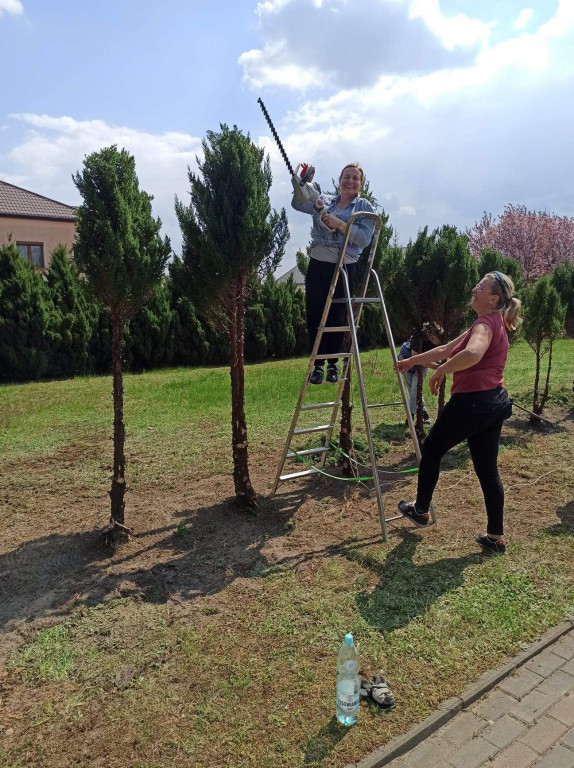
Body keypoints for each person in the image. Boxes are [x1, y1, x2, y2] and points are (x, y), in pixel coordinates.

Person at [395, 272, 522, 555]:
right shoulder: (488, 322)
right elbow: (445, 348)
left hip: (473, 403)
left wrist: (441, 369)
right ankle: (495, 537)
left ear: (493, 299)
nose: (475, 288)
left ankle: (421, 511)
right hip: (494, 404)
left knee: (432, 449)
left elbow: (473, 354)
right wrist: (410, 362)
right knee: (487, 470)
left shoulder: (485, 325)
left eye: (482, 286)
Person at [292, 163, 376, 384]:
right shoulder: (325, 200)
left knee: (336, 314)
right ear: (339, 180)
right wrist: (300, 185)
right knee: (315, 313)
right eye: (346, 177)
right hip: (319, 261)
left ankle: (333, 364)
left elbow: (364, 239)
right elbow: (298, 204)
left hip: (344, 264)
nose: (350, 181)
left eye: (355, 178)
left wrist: (340, 224)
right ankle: (318, 364)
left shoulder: (363, 206)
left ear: (361, 183)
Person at [398, 323, 442, 423]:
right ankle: (414, 415)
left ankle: (418, 414)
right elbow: (415, 358)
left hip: (421, 362)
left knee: (416, 388)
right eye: (437, 339)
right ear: (431, 336)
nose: (439, 343)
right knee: (413, 389)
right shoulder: (418, 337)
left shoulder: (439, 341)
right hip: (406, 359)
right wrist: (436, 367)